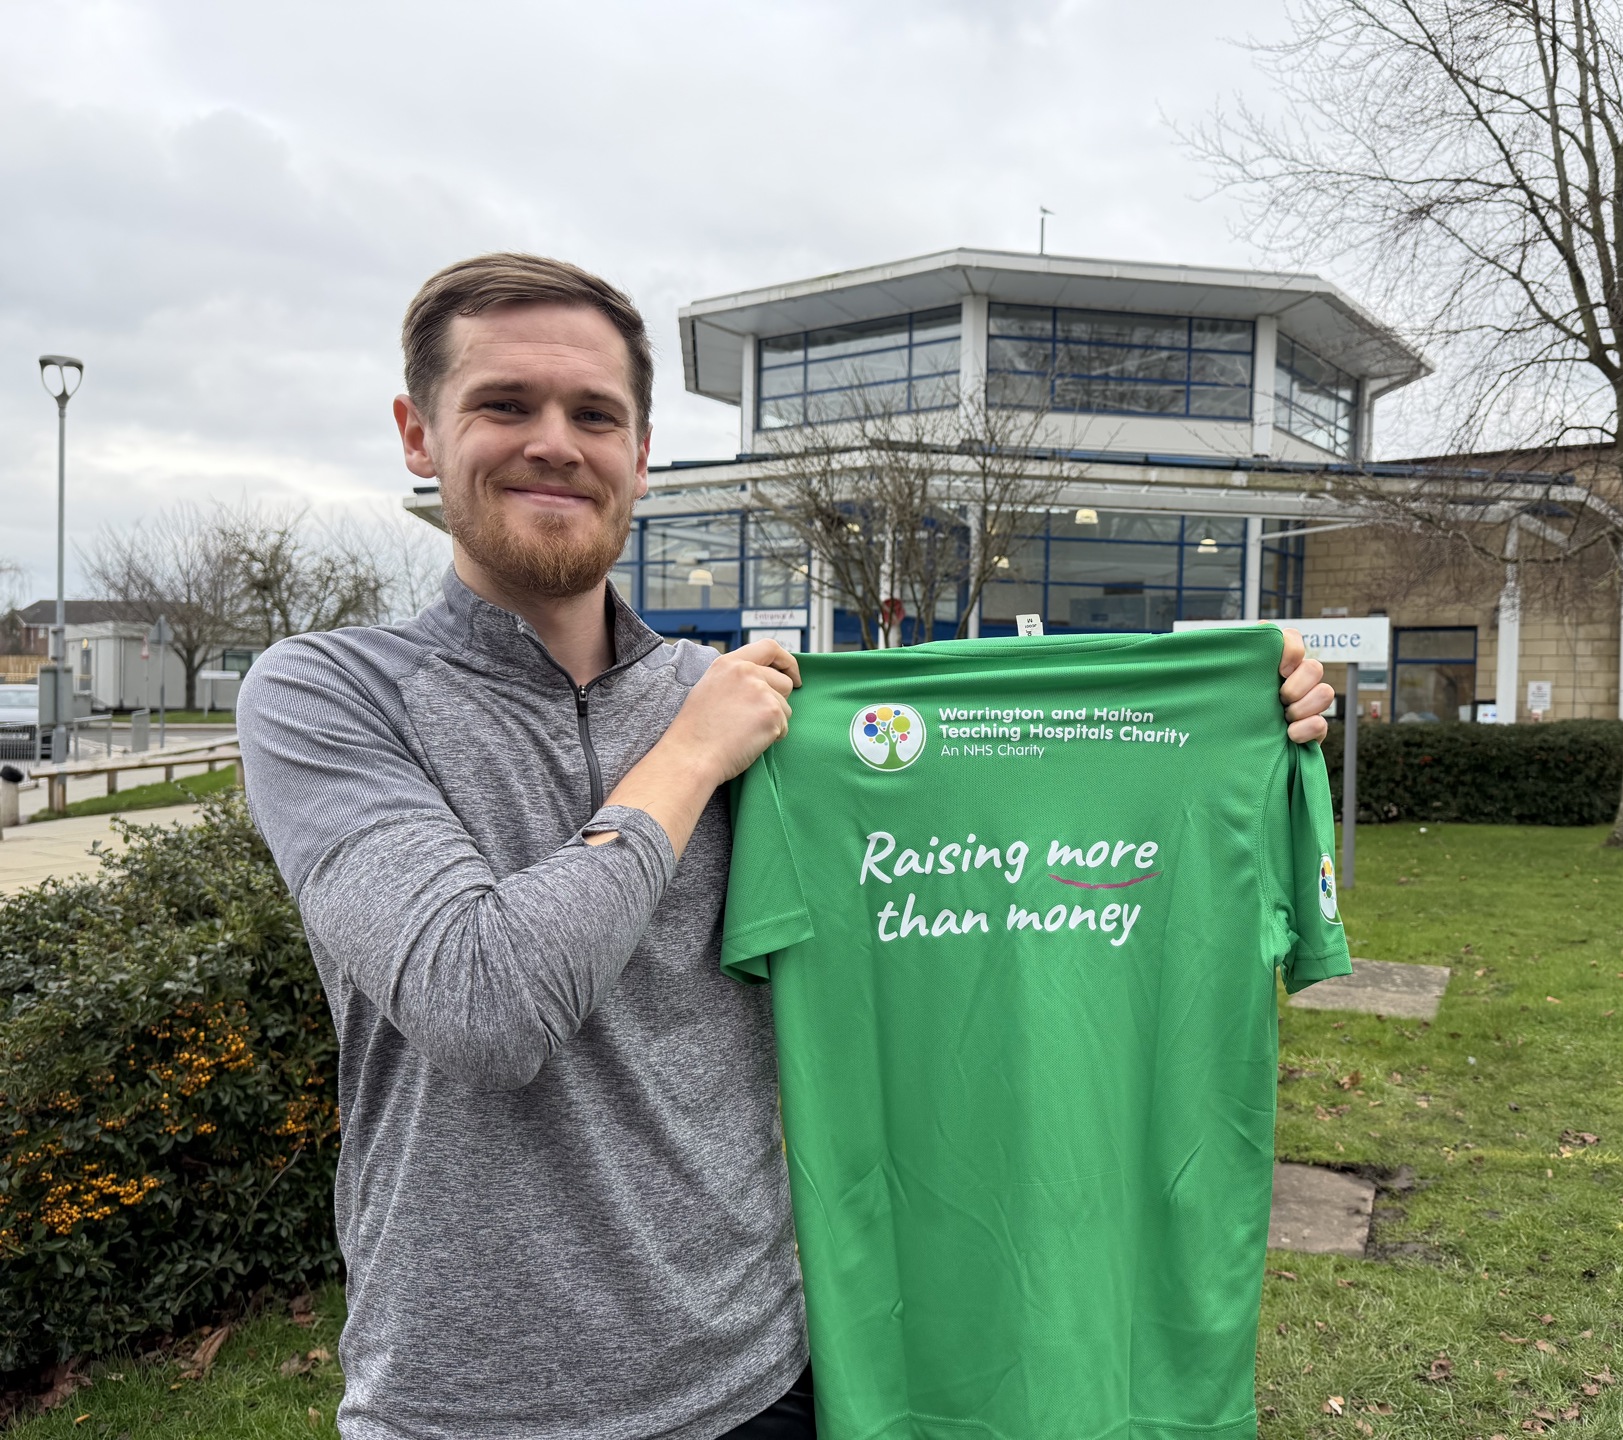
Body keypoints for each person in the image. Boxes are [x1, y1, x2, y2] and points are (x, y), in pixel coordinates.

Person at [237, 252, 1334, 1440]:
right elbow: (482, 1001)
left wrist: (1217, 725)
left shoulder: (774, 719)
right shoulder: (328, 696)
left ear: (641, 457)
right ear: (417, 433)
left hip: (753, 1390)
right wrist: (692, 754)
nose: (555, 442)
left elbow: (979, 803)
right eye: (505, 405)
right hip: (460, 1410)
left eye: (595, 415)